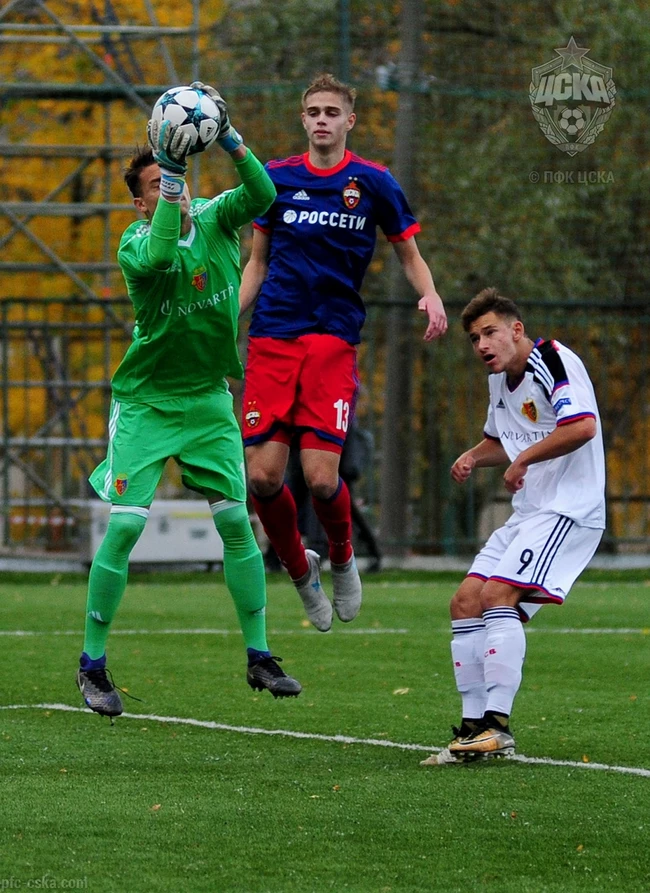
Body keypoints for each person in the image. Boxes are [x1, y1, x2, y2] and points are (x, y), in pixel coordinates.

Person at [76, 82, 301, 718]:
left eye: (170, 177)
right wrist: (172, 174)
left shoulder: (217, 216)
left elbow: (265, 196)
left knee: (235, 523)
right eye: (155, 185)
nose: (167, 189)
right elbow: (160, 251)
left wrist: (228, 136)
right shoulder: (135, 244)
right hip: (148, 403)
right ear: (141, 200)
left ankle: (259, 654)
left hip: (206, 400)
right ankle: (92, 664)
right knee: (126, 526)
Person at [239, 72, 447, 632]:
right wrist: (229, 313)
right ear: (303, 119)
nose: (322, 120)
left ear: (349, 121)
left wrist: (430, 296)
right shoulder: (275, 179)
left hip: (332, 341)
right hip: (273, 337)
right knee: (262, 478)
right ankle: (300, 574)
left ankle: (342, 557)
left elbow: (408, 254)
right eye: (314, 112)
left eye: (332, 112)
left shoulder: (373, 182)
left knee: (322, 479)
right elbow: (257, 262)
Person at [420, 288, 605, 765]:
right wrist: (472, 456)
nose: (481, 344)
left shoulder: (552, 361)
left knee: (498, 594)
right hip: (530, 512)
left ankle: (497, 726)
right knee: (465, 602)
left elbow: (581, 426)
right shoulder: (500, 382)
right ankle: (472, 730)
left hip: (568, 508)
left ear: (516, 329)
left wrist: (523, 460)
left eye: (490, 333)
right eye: (474, 338)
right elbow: (504, 440)